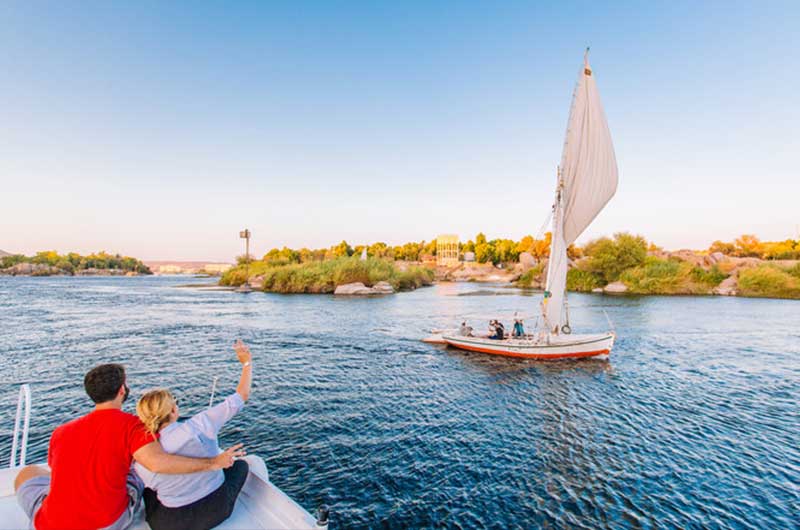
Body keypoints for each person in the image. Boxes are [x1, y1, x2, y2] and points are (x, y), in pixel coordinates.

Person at [14, 363, 243, 530]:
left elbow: (57, 471)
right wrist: (213, 462)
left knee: (27, 473)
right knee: (136, 474)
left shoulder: (61, 432)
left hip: (50, 523)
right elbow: (158, 463)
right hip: (107, 522)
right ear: (122, 390)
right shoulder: (133, 427)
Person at [134, 340, 253, 530]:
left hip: (171, 524)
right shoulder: (201, 424)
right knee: (241, 465)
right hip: (217, 510)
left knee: (149, 493)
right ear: (173, 410)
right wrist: (246, 363)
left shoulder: (142, 457)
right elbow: (241, 396)